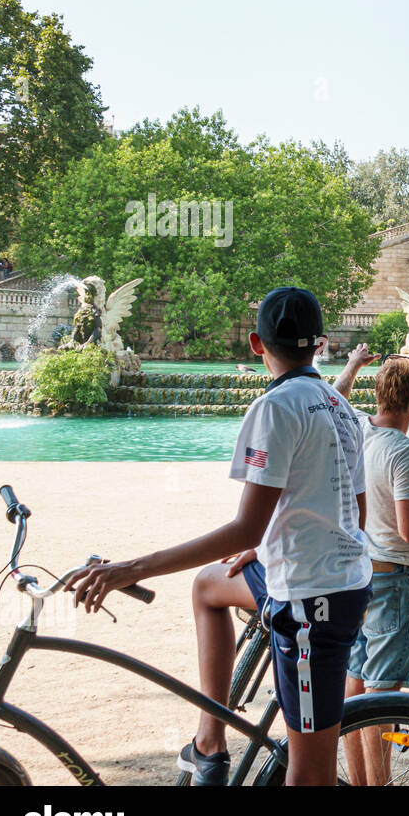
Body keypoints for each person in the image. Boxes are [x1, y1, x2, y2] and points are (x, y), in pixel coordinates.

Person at [69, 287, 371, 786]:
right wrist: (267, 542)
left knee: (308, 776)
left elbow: (244, 526)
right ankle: (210, 743)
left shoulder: (276, 407)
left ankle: (218, 744)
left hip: (311, 605)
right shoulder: (338, 404)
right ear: (319, 344)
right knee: (209, 586)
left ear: (257, 344)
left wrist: (131, 568)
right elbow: (353, 513)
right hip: (322, 577)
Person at [332, 345, 409, 786]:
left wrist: (354, 364)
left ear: (377, 391)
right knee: (381, 698)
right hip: (395, 583)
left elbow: (332, 397)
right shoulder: (405, 450)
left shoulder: (357, 428)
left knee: (354, 688)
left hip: (357, 577)